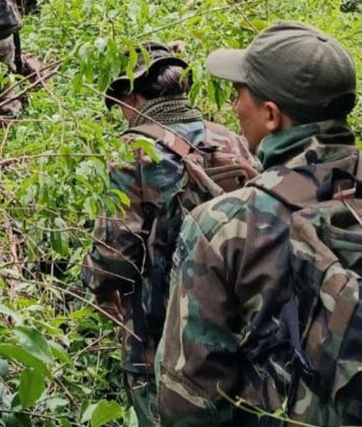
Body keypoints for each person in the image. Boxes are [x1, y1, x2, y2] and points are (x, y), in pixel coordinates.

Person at [158, 21, 361, 425]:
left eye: (238, 95)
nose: (233, 108)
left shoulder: (222, 226)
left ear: (271, 115)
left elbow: (188, 403)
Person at [82, 41, 256, 426]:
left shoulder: (134, 149)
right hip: (240, 321)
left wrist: (91, 280)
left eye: (123, 102)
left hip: (158, 336)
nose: (124, 114)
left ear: (135, 95)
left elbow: (115, 258)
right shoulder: (229, 137)